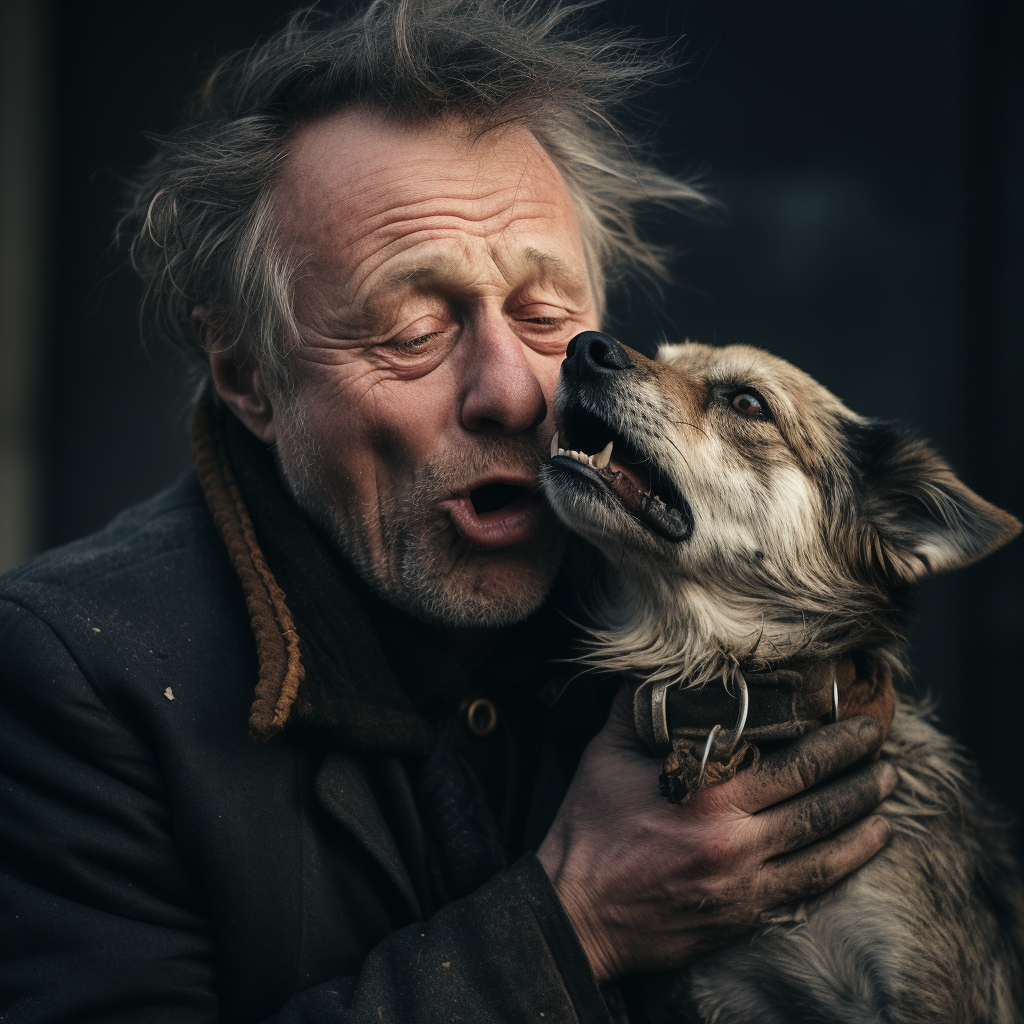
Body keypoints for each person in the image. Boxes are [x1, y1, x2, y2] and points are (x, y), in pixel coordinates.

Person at [0, 2, 896, 1021]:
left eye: (545, 315)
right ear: (246, 373)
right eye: (414, 328)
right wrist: (569, 924)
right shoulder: (73, 680)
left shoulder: (686, 609)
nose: (514, 393)